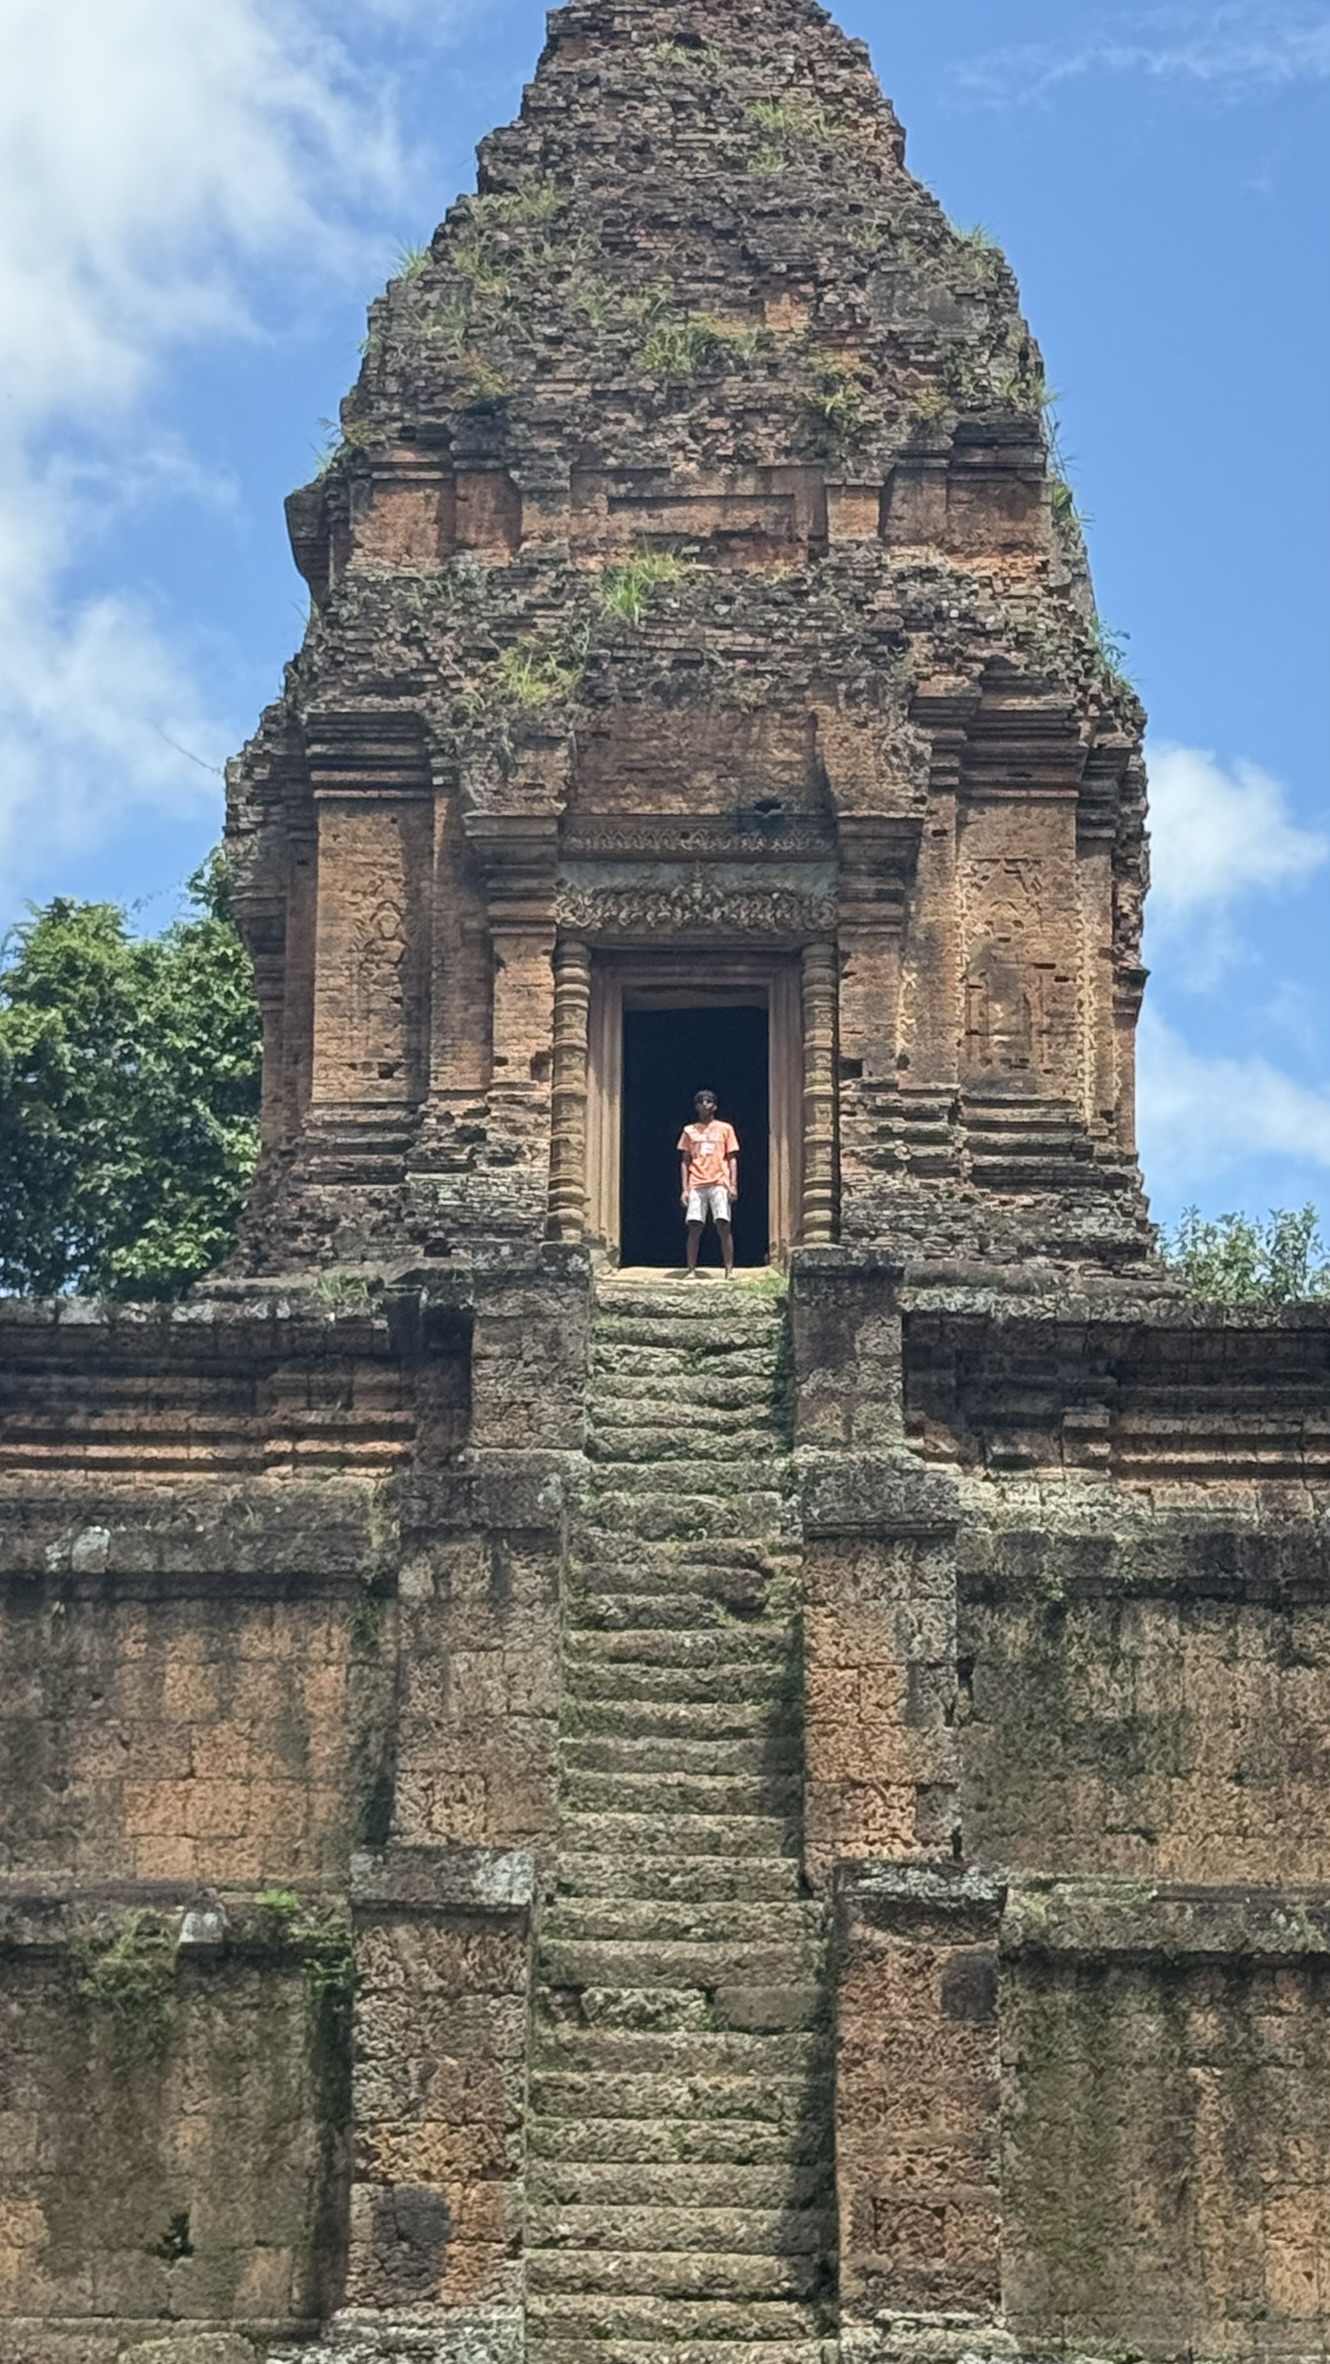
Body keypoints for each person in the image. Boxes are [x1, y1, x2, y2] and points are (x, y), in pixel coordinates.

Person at [678, 1090, 740, 1274]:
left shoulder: (725, 1129)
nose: (705, 1104)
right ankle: (691, 1270)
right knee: (695, 1226)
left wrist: (733, 1184)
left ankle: (729, 1269)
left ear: (715, 1106)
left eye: (709, 1101)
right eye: (701, 1101)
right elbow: (685, 1161)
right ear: (696, 1106)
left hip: (719, 1181)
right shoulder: (689, 1131)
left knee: (723, 1223)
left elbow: (732, 1158)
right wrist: (685, 1189)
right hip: (696, 1183)